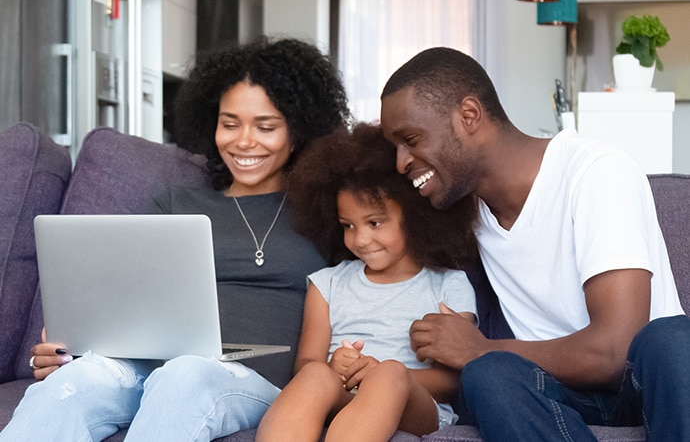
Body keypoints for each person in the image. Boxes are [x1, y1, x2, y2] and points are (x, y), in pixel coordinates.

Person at [0, 37, 351, 441]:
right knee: (70, 386)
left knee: (186, 375)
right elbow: (123, 299)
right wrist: (73, 350)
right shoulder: (175, 203)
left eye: (266, 126)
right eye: (230, 123)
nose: (243, 141)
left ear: (299, 131)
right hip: (147, 366)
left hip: (248, 380)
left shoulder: (326, 210)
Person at [378, 46, 690, 441]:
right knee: (489, 375)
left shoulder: (595, 171)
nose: (401, 162)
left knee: (670, 339)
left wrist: (480, 347)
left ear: (468, 115)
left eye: (411, 140)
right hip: (554, 393)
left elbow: (616, 350)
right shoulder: (462, 214)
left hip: (643, 382)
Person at [255, 123, 479, 442]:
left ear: (415, 216)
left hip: (416, 404)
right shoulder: (327, 283)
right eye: (348, 225)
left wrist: (375, 374)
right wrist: (334, 366)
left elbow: (449, 381)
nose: (360, 239)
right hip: (343, 395)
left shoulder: (449, 284)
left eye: (374, 222)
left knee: (389, 373)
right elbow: (306, 362)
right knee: (315, 374)